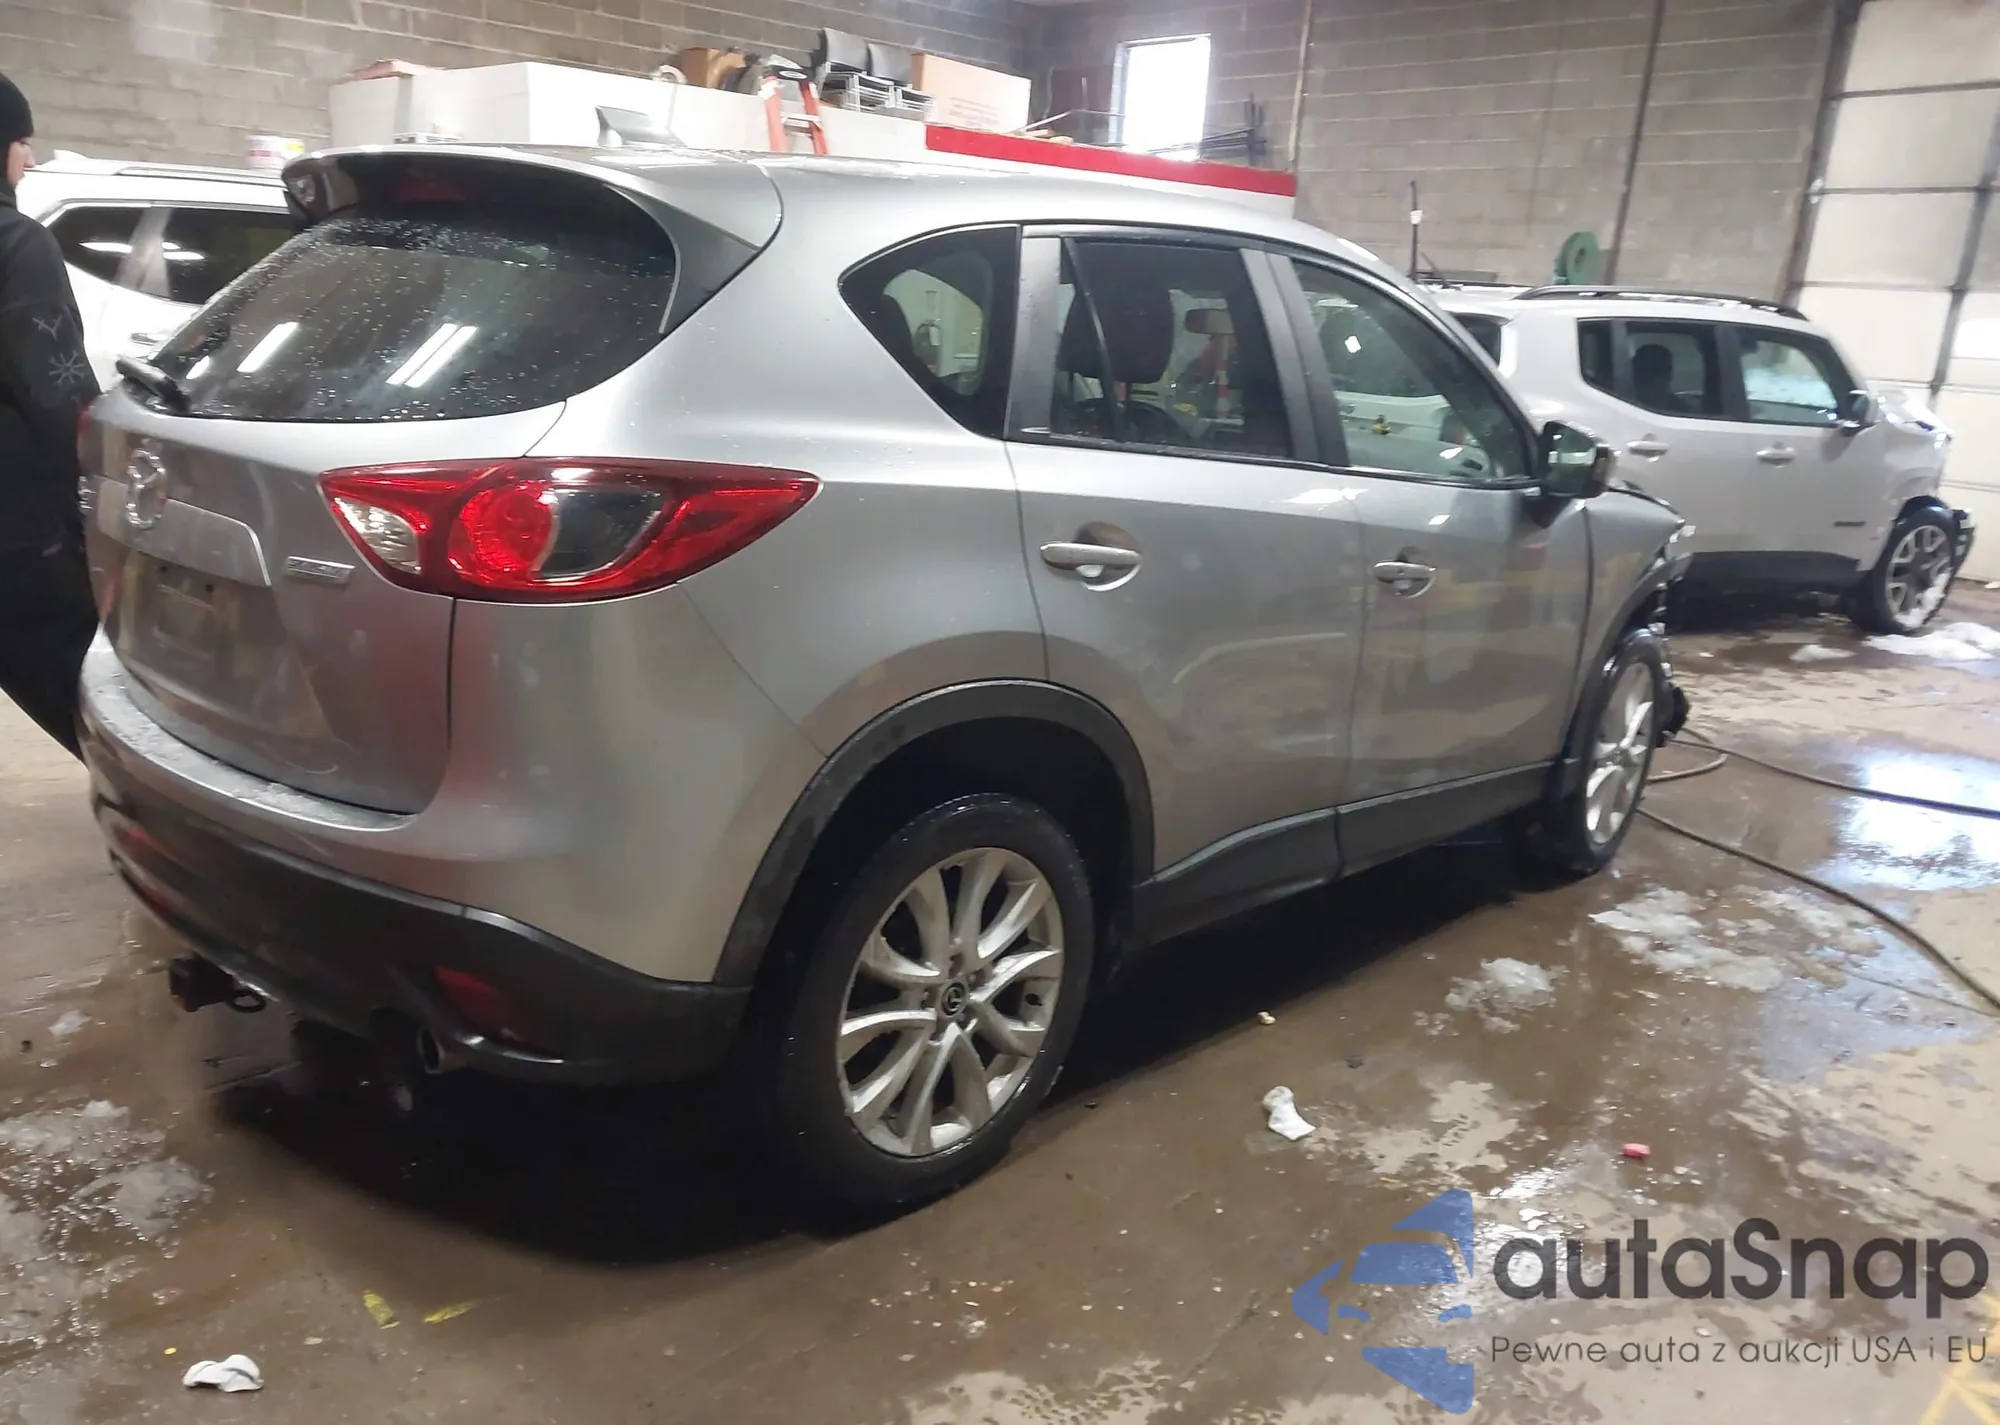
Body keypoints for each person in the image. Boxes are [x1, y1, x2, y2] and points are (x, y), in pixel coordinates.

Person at [0, 73, 99, 758]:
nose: (28, 157)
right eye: (21, 141)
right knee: (82, 691)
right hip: (16, 526)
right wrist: (93, 498)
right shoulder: (17, 244)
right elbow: (55, 391)